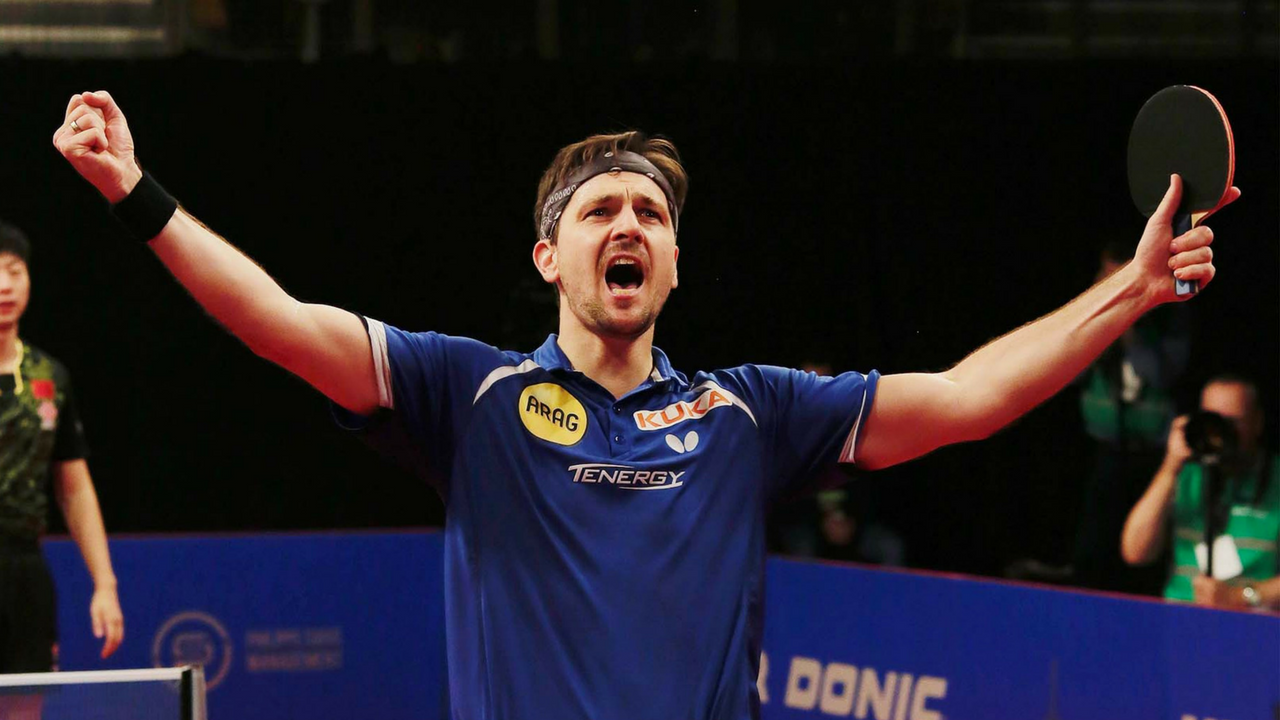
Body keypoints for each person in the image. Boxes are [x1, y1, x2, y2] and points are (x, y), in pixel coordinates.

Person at [54, 89, 1232, 719]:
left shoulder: (748, 414)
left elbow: (968, 398)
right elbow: (275, 319)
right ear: (547, 257)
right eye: (600, 210)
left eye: (652, 215)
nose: (628, 224)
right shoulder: (470, 393)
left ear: (672, 263)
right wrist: (134, 191)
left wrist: (1127, 292)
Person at [0, 220, 124, 675]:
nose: (4, 285)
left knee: (26, 702)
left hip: (24, 571)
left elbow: (74, 488)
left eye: (15, 271)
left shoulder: (49, 377)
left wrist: (105, 584)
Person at [1072, 239, 1192, 594]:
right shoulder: (1089, 318)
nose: (1109, 286)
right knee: (1093, 549)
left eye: (1117, 277)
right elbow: (1071, 373)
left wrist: (1128, 320)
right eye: (1104, 276)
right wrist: (1098, 320)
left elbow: (1159, 375)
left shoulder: (1169, 315)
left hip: (1152, 455)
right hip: (1103, 448)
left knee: (1143, 552)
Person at [1121, 376, 1279, 611]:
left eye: (1232, 422)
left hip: (1252, 621)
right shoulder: (1183, 473)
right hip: (1181, 614)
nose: (1221, 432)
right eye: (1213, 420)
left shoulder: (1275, 477)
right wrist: (1170, 467)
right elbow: (1135, 552)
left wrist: (1242, 596)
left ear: (1257, 422)